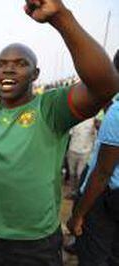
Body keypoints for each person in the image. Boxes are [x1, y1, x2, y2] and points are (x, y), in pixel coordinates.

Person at [0, 0, 119, 265]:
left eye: (21, 64)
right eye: (1, 64)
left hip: (34, 245)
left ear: (36, 74)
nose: (8, 69)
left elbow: (106, 84)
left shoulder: (51, 107)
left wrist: (61, 17)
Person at [68, 50, 119, 266]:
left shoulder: (117, 112)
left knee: (94, 256)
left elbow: (103, 172)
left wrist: (78, 214)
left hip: (108, 196)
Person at [66, 118, 97, 198]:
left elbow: (95, 137)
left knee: (80, 174)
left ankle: (78, 193)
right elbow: (70, 134)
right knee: (72, 173)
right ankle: (72, 192)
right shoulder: (75, 120)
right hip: (72, 149)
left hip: (85, 152)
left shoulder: (93, 121)